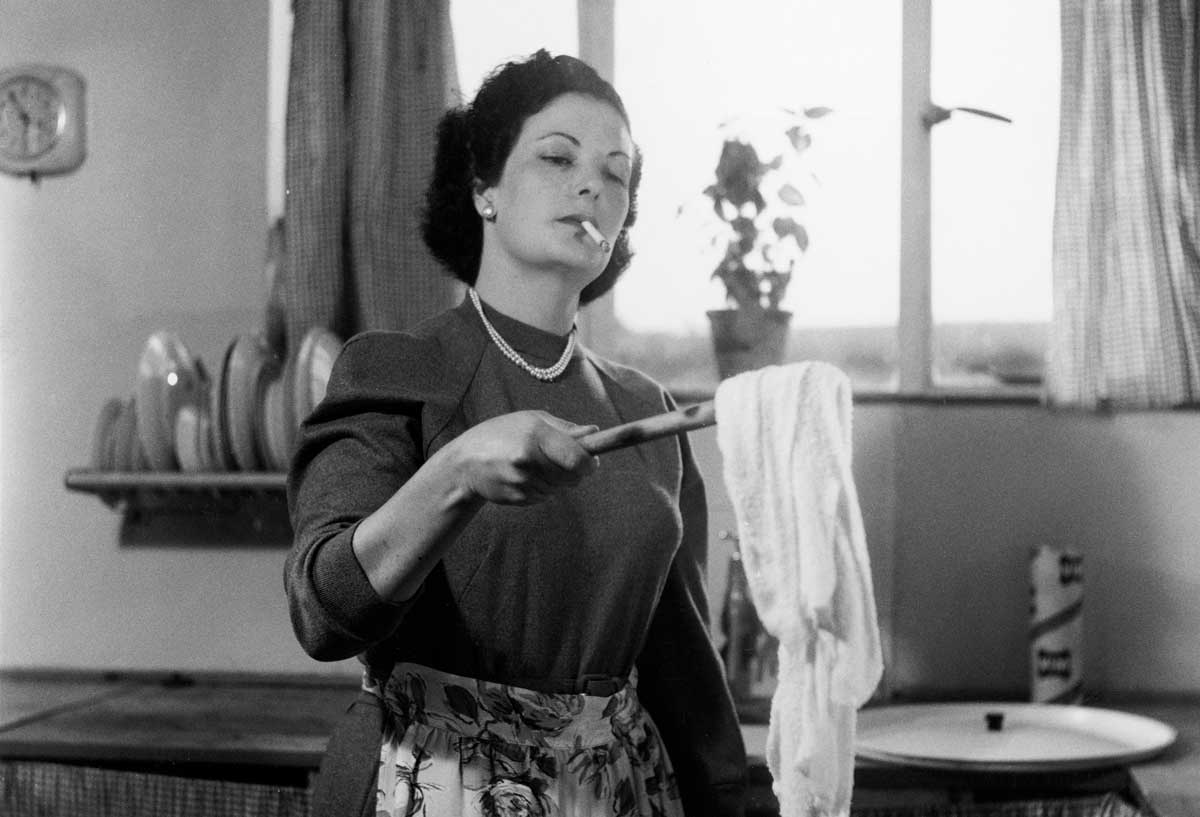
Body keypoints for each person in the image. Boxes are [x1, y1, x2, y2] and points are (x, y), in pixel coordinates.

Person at [285, 50, 747, 817]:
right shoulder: (397, 370)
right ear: (482, 188)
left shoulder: (647, 409)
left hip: (615, 794)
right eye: (557, 157)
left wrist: (740, 803)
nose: (592, 184)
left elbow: (683, 672)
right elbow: (321, 610)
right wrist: (458, 470)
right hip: (429, 782)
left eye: (617, 172)